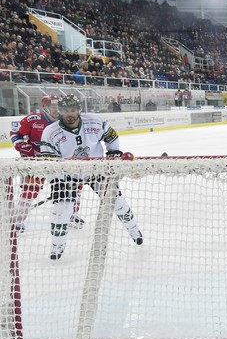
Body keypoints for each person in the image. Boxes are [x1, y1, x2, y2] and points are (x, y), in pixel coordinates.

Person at [38, 95, 143, 261]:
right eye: (65, 111)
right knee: (61, 211)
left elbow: (112, 137)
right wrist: (56, 182)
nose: (69, 114)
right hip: (69, 176)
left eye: (72, 110)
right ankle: (57, 247)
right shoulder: (50, 132)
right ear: (60, 111)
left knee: (117, 202)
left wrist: (114, 152)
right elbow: (49, 161)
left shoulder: (94, 121)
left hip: (97, 171)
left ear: (79, 109)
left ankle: (134, 230)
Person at [8, 95, 84, 231]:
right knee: (30, 191)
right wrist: (20, 145)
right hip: (37, 162)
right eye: (53, 107)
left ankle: (72, 214)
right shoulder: (33, 120)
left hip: (60, 162)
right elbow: (15, 132)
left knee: (74, 188)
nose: (57, 110)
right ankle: (18, 221)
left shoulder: (66, 121)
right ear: (45, 108)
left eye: (58, 107)